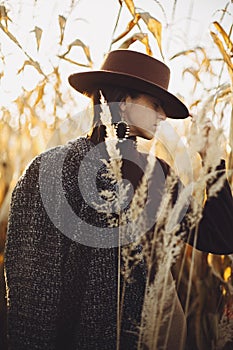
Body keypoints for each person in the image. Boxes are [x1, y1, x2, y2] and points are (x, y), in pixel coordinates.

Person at [4, 49, 233, 350]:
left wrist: (212, 156)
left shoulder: (155, 173)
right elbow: (29, 278)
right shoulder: (50, 169)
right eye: (155, 104)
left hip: (143, 338)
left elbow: (219, 238)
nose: (163, 116)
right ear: (124, 103)